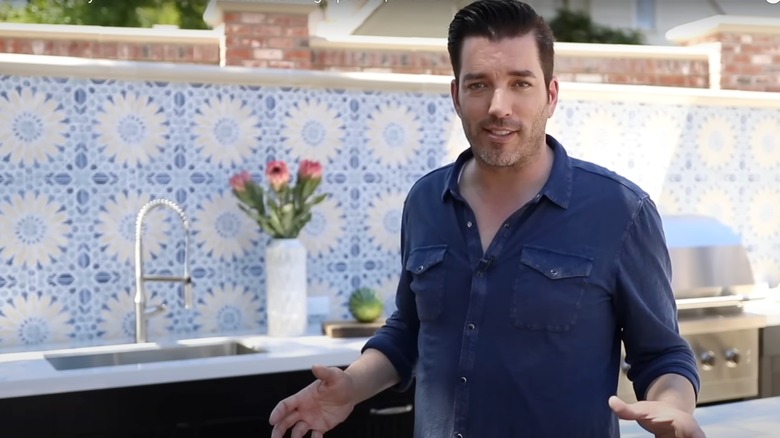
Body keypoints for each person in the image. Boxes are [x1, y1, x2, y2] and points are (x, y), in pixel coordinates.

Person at [269, 1, 705, 437]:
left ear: (550, 95)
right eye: (479, 84)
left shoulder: (621, 211)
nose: (499, 105)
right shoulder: (425, 201)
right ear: (457, 94)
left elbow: (664, 355)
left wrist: (675, 407)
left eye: (520, 83)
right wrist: (350, 386)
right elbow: (409, 330)